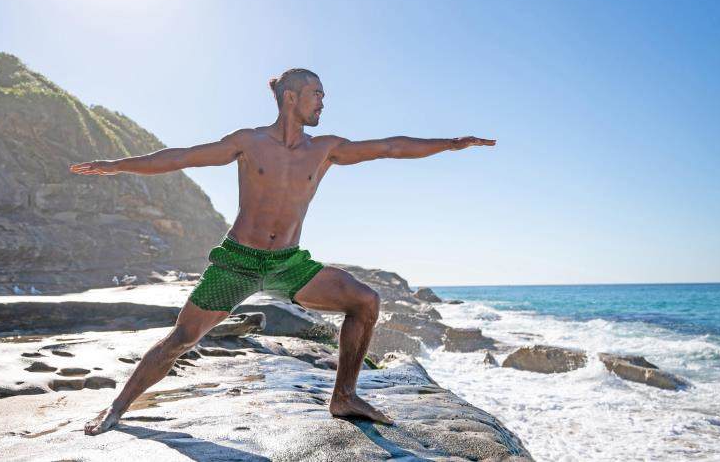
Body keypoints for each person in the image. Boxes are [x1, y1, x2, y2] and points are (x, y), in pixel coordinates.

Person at [70, 68, 496, 435]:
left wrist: (451, 143)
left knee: (366, 302)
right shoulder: (249, 142)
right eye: (317, 94)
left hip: (288, 263)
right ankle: (117, 407)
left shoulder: (324, 148)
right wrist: (116, 165)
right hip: (238, 261)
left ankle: (344, 397)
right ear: (291, 97)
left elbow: (389, 147)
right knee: (181, 338)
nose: (323, 103)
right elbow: (181, 157)